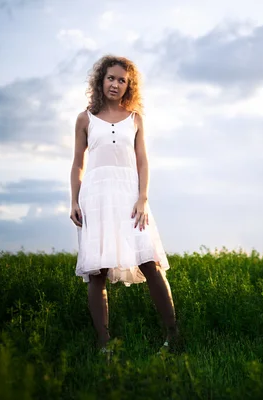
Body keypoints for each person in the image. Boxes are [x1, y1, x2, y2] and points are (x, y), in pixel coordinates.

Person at [69, 55, 179, 354]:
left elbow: (143, 161)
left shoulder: (135, 118)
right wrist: (74, 201)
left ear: (129, 86)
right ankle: (104, 344)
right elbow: (78, 164)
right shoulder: (84, 119)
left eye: (122, 80)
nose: (115, 84)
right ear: (100, 80)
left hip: (130, 196)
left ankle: (173, 336)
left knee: (150, 263)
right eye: (111, 78)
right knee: (97, 271)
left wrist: (143, 198)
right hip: (95, 197)